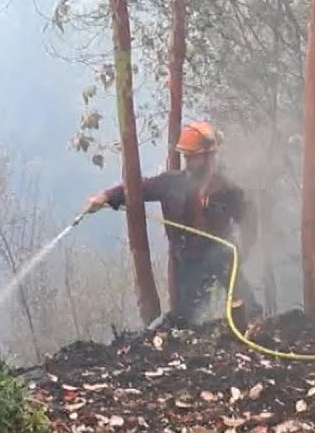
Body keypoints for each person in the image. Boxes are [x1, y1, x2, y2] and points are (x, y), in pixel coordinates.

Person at [84, 120, 260, 326]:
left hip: (220, 254)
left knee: (242, 298)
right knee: (185, 318)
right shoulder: (170, 183)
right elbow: (138, 188)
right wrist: (105, 197)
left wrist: (245, 249)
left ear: (209, 156)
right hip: (188, 263)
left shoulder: (227, 190)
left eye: (194, 157)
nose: (190, 162)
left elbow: (248, 217)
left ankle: (254, 324)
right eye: (187, 156)